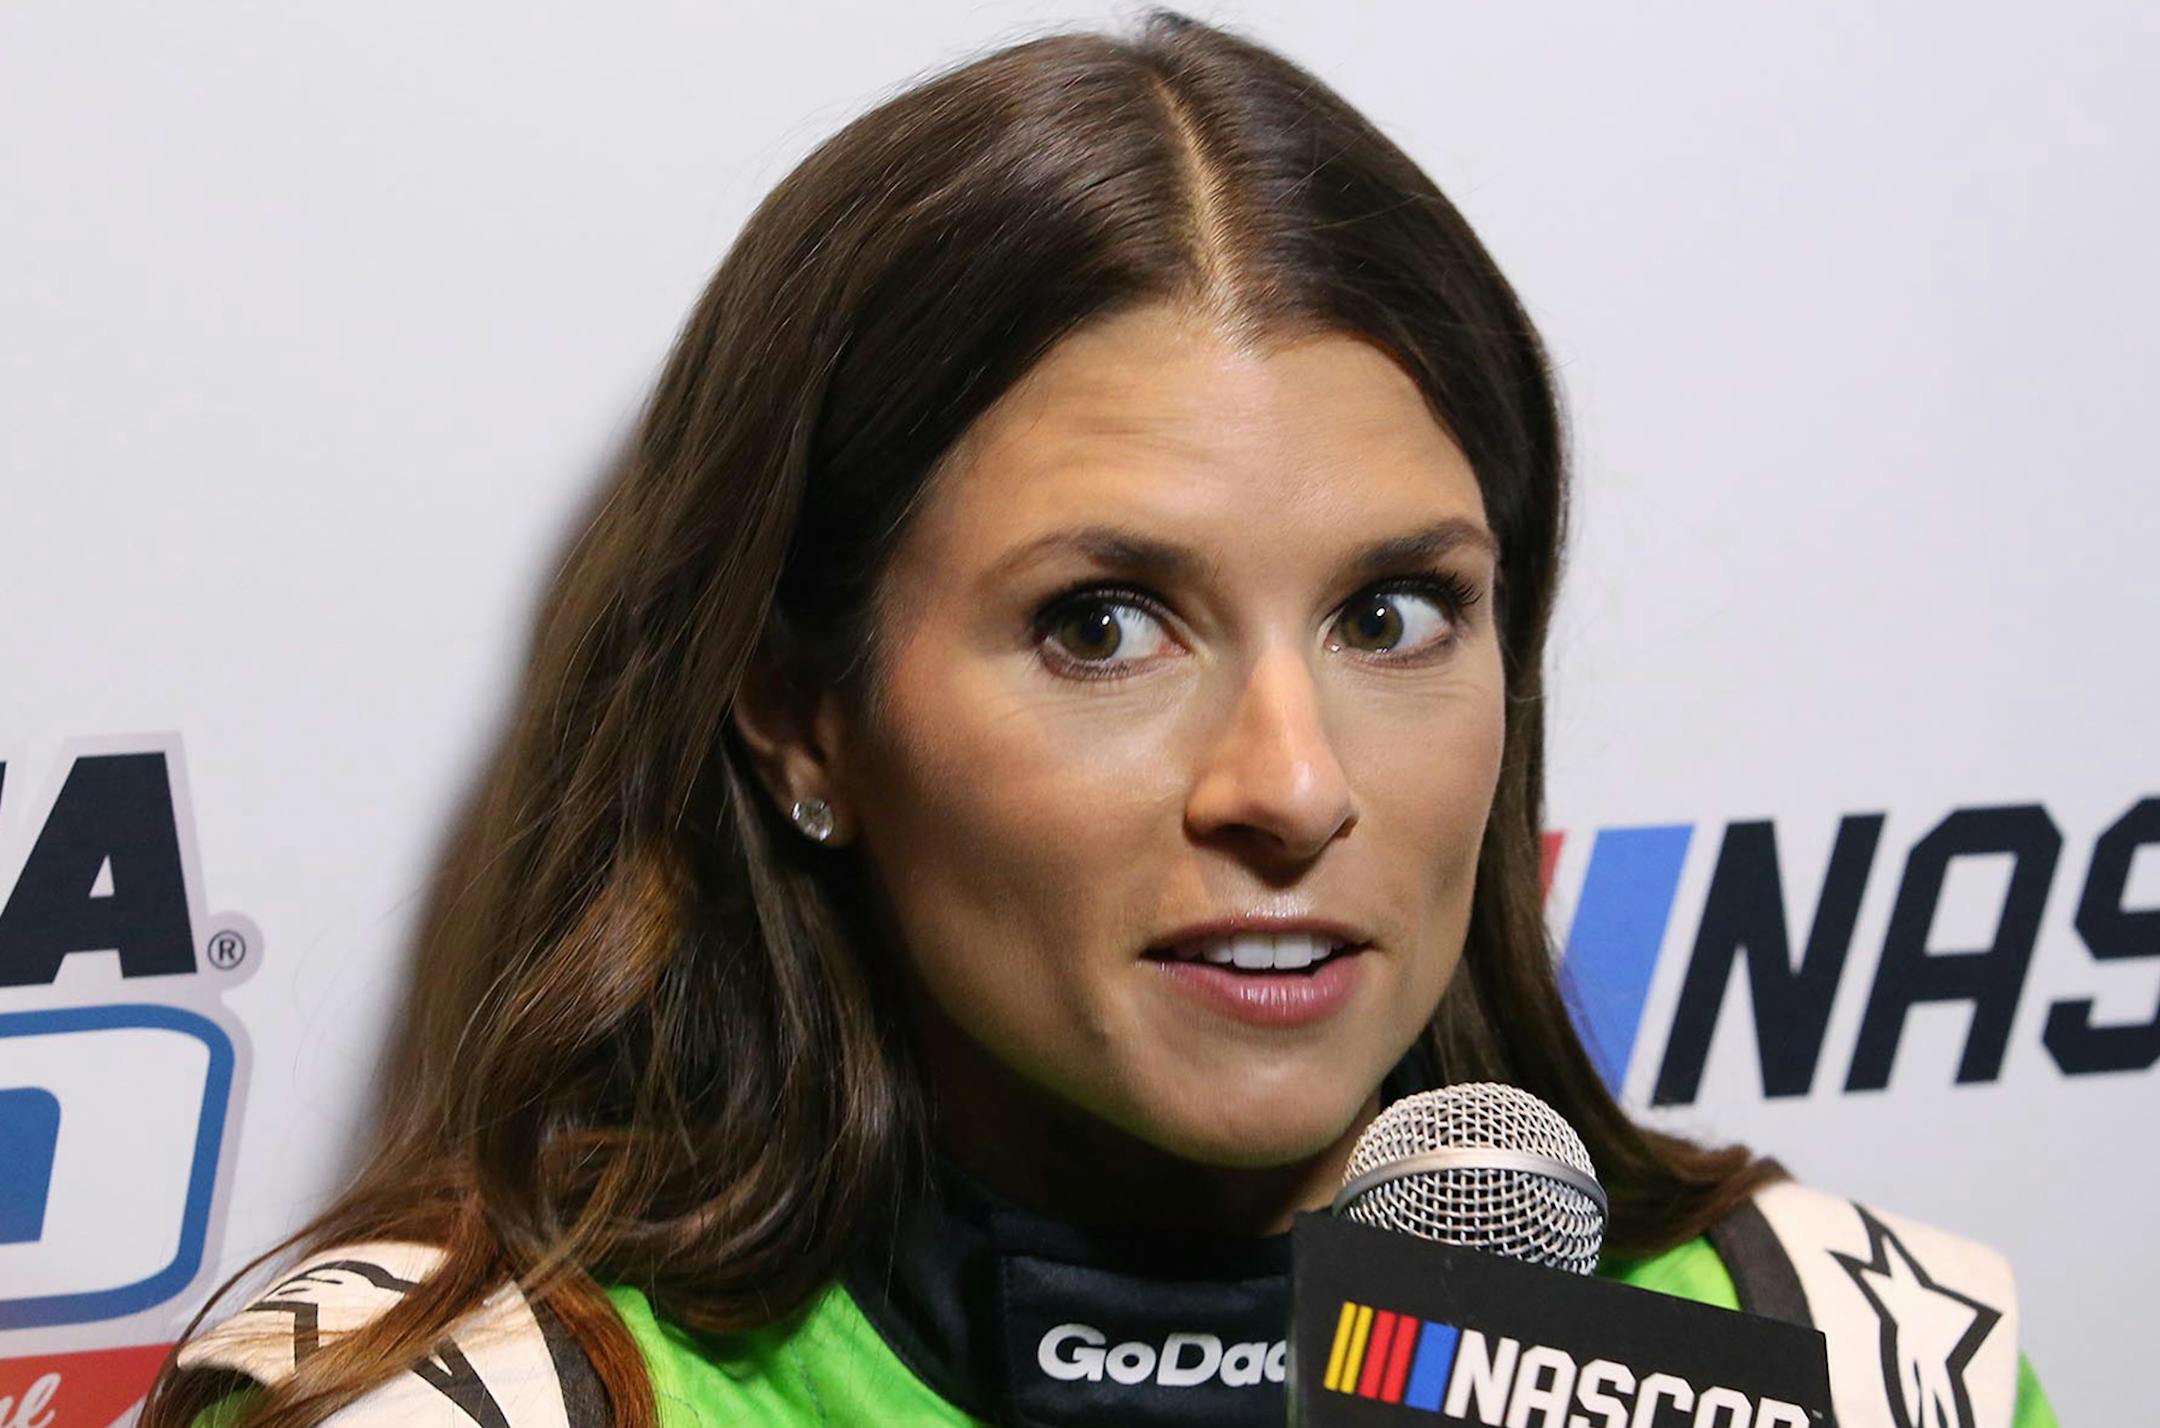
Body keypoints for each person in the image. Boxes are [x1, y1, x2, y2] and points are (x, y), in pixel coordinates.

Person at [147, 11, 2059, 1427]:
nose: (1294, 788)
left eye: (1396, 614)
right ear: (798, 709)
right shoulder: (445, 1412)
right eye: (1102, 624)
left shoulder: (1858, 1362)